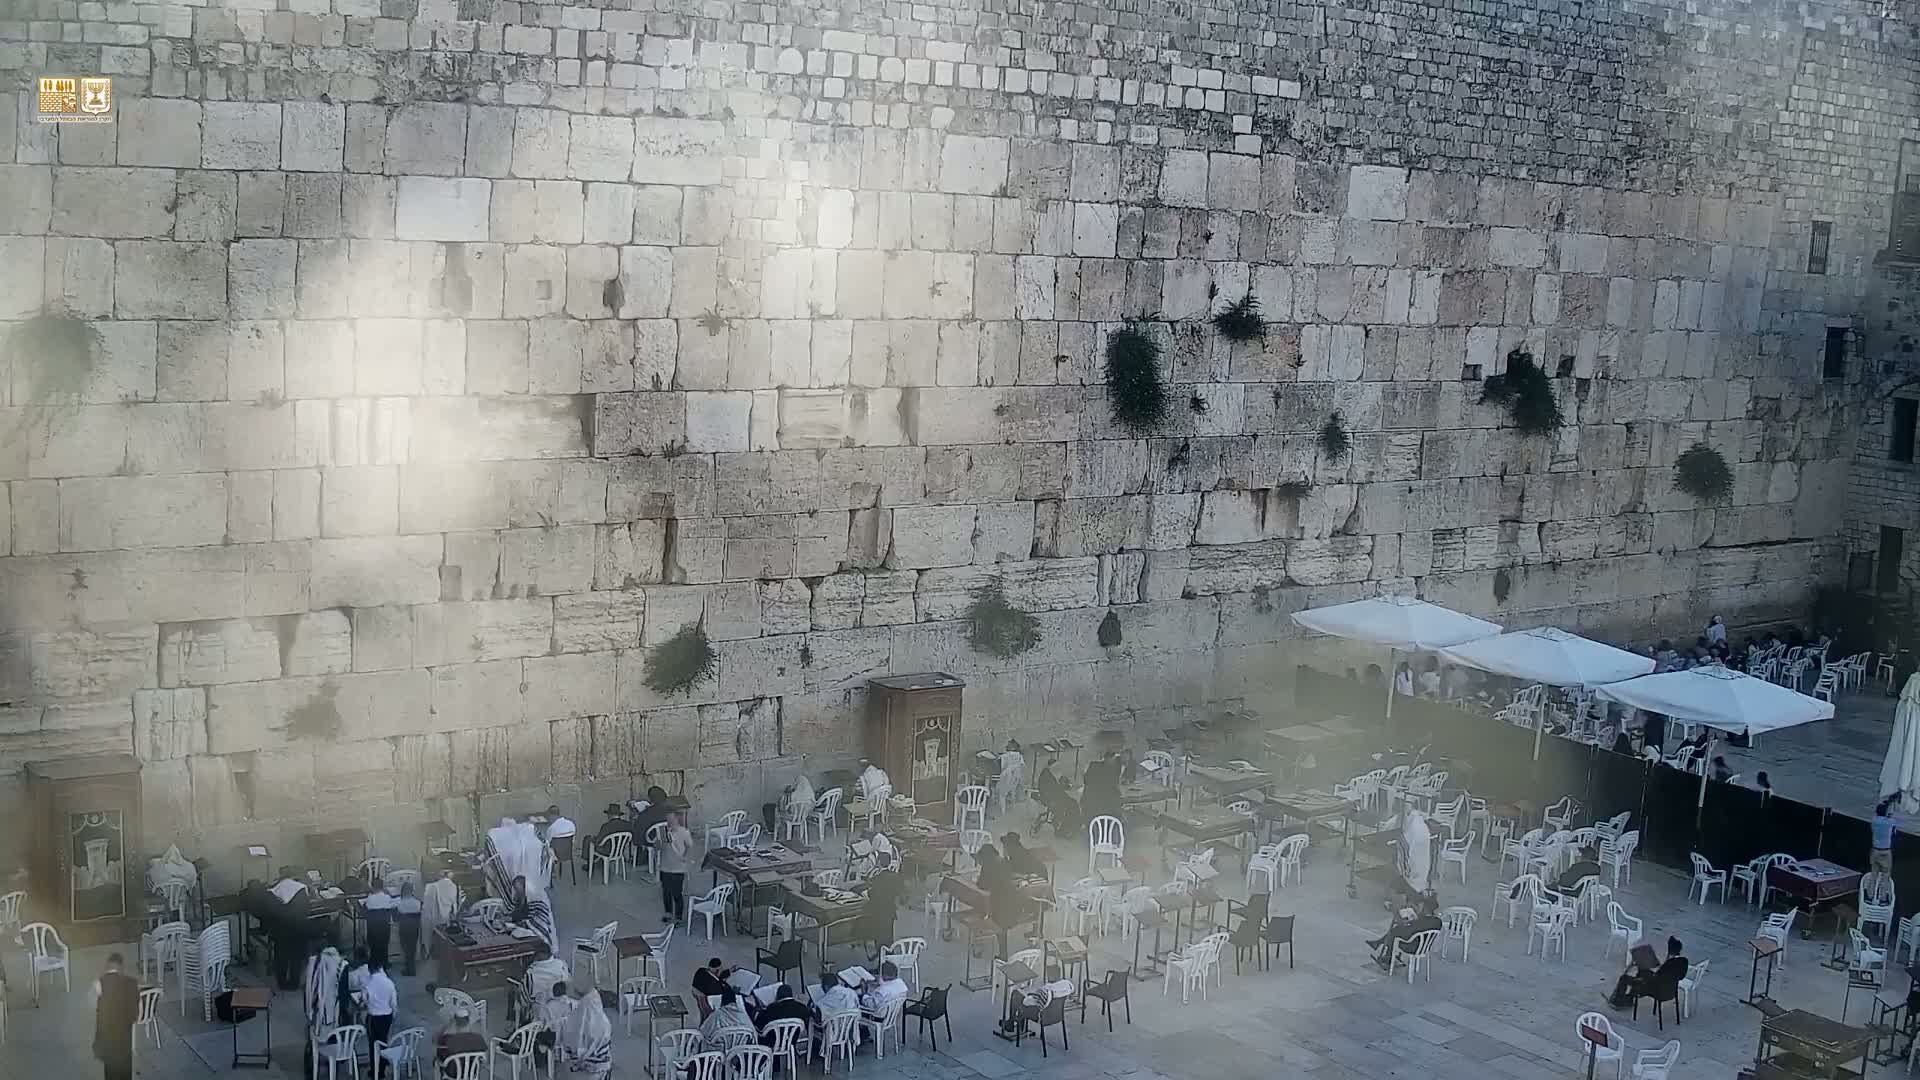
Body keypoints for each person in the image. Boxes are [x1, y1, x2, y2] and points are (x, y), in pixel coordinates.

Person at [91, 952, 138, 1080]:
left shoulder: (99, 984)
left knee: (110, 1074)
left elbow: (98, 1014)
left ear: (107, 967)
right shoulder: (132, 983)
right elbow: (135, 1015)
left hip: (107, 1042)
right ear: (121, 967)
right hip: (124, 1042)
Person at [1610, 936, 1688, 1009]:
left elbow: (1658, 976)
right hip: (1671, 990)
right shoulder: (1684, 962)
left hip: (1656, 990)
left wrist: (1642, 979)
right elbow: (1677, 976)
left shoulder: (1668, 964)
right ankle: (1629, 998)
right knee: (1643, 971)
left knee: (1624, 978)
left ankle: (1618, 1002)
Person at [1367, 893, 1441, 968]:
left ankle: (1387, 957)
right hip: (1425, 947)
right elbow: (1421, 926)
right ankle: (1379, 943)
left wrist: (1399, 917)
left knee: (1394, 933)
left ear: (1425, 908)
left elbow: (1407, 934)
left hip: (1413, 947)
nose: (1420, 908)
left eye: (1421, 906)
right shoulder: (1437, 921)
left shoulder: (1421, 921)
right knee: (1396, 931)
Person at [565, 985, 612, 1077]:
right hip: (601, 1066)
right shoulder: (605, 1022)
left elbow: (569, 1045)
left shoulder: (574, 1021)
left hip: (582, 1069)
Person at [657, 810, 693, 926]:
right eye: (667, 818)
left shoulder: (684, 832)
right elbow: (658, 847)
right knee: (666, 892)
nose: (668, 821)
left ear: (676, 818)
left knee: (677, 893)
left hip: (678, 868)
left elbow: (689, 846)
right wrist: (658, 843)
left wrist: (684, 857)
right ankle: (668, 912)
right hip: (665, 866)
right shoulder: (663, 831)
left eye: (670, 818)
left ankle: (678, 916)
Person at [855, 869, 902, 959]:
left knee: (880, 938)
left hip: (879, 913)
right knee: (888, 937)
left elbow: (872, 894)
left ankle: (882, 962)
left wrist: (864, 893)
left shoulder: (879, 878)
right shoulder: (894, 876)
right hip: (890, 911)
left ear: (879, 862)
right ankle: (889, 959)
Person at [435, 1009, 488, 1078]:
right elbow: (483, 1059)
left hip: (452, 1073)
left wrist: (447, 1027)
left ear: (455, 1023)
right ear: (468, 1022)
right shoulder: (478, 1038)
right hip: (471, 1072)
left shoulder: (446, 1039)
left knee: (436, 1062)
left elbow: (439, 1056)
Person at [536, 982, 572, 1067]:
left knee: (535, 1034)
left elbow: (541, 1021)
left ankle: (539, 1061)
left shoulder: (548, 1006)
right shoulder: (567, 1005)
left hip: (552, 1037)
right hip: (565, 1037)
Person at [364, 956, 397, 1050]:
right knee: (384, 1039)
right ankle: (383, 1061)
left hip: (374, 1017)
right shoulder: (389, 982)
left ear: (369, 969)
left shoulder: (368, 983)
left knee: (373, 1043)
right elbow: (393, 1003)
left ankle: (375, 1063)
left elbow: (365, 1000)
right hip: (387, 1016)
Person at [365, 877, 396, 966]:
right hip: (384, 924)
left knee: (373, 944)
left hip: (373, 924)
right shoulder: (387, 897)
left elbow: (366, 907)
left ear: (373, 887)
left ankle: (374, 962)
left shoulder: (370, 898)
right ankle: (385, 962)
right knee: (384, 943)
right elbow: (391, 906)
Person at [396, 881, 424, 976]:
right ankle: (411, 968)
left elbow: (396, 917)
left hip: (404, 926)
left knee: (405, 947)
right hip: (414, 927)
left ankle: (408, 968)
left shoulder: (399, 902)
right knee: (412, 948)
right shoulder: (418, 902)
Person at [545, 805, 577, 886]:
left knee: (546, 848)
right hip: (568, 852)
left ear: (551, 815)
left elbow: (547, 842)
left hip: (556, 854)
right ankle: (556, 869)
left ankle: (551, 871)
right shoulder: (571, 824)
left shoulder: (552, 828)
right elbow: (573, 840)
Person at [1873, 797, 1901, 874]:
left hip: (1875, 850)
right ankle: (1883, 885)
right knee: (1886, 874)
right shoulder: (1890, 822)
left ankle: (1872, 886)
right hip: (1886, 851)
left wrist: (1887, 803)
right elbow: (1894, 832)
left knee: (1874, 874)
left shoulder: (1874, 820)